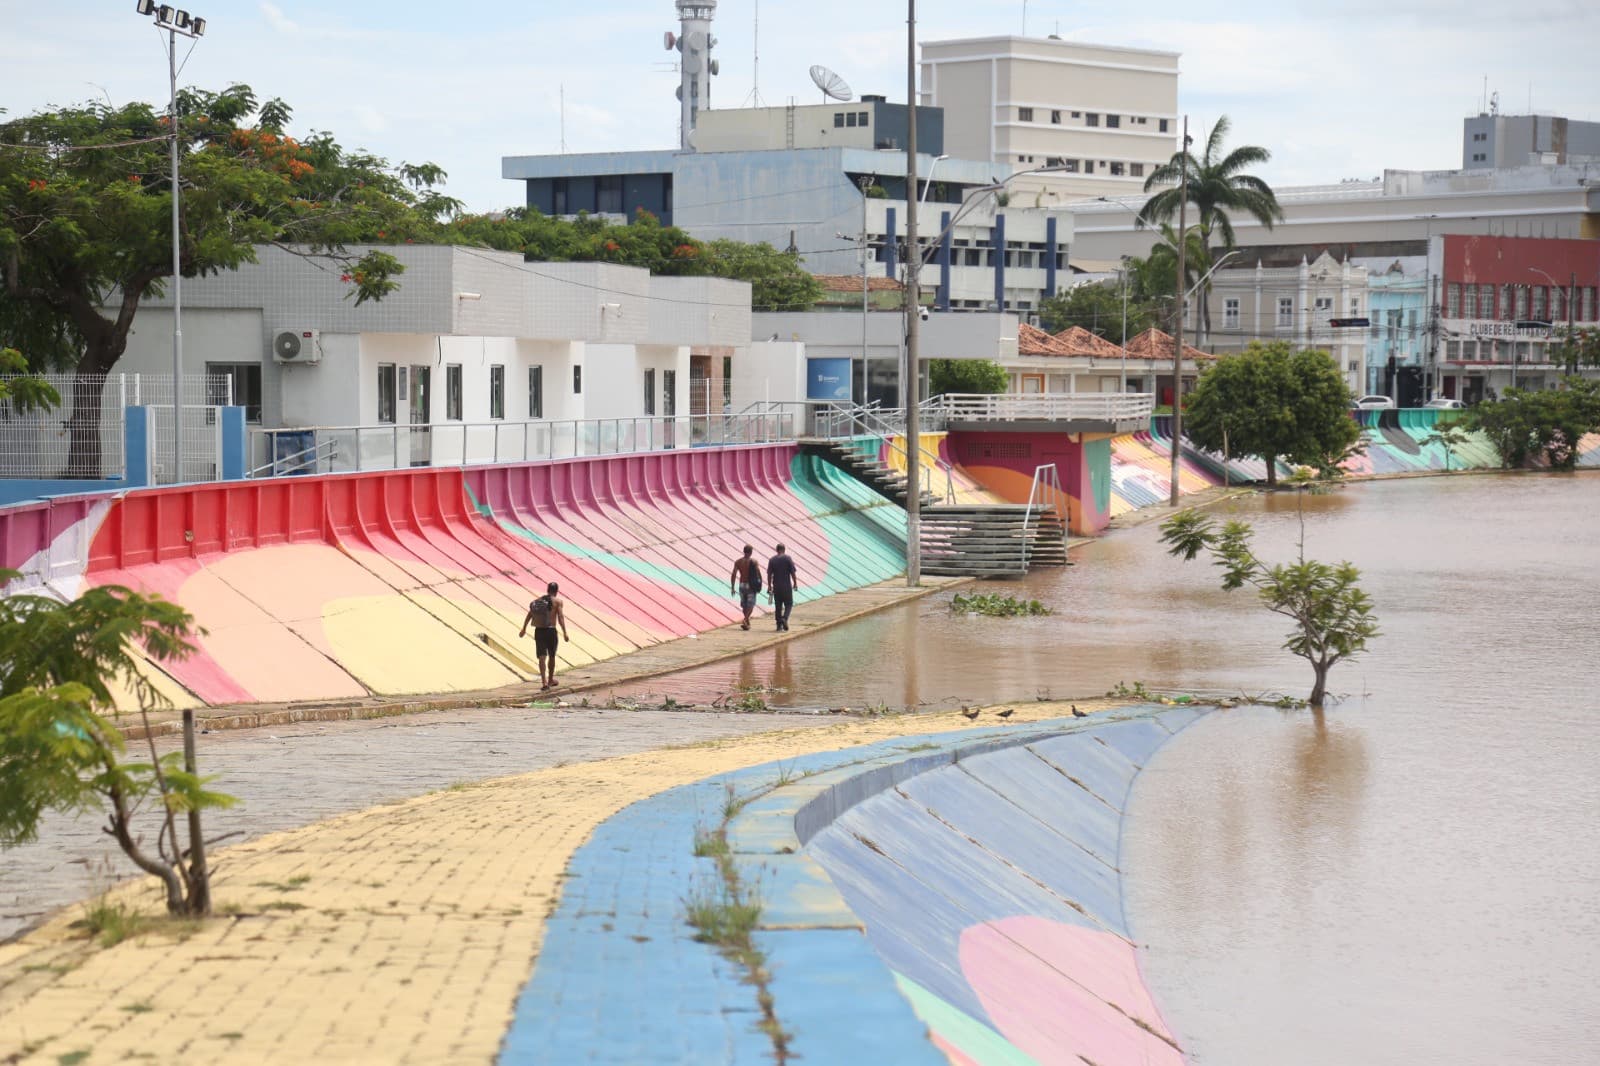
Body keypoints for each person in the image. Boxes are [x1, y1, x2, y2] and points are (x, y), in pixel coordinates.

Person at [519, 581, 569, 690]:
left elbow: (530, 614)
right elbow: (560, 617)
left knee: (542, 656)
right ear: (556, 591)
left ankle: (544, 682)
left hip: (539, 631)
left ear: (547, 590)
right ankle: (550, 680)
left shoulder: (538, 601)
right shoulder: (558, 602)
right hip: (551, 631)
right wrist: (565, 632)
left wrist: (524, 628)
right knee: (551, 655)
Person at [766, 543, 798, 632]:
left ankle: (778, 625)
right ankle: (785, 618)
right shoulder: (788, 558)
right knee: (789, 604)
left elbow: (769, 574)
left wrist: (769, 586)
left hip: (776, 587)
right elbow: (792, 573)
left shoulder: (772, 560)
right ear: (784, 550)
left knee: (778, 606)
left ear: (777, 550)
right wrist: (795, 583)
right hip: (786, 586)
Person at [730, 545, 760, 630]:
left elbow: (734, 574)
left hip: (742, 585)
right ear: (751, 552)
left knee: (744, 605)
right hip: (750, 585)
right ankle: (745, 619)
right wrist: (759, 584)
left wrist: (732, 587)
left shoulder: (738, 562)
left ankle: (747, 622)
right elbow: (758, 573)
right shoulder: (754, 561)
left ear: (744, 551)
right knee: (751, 604)